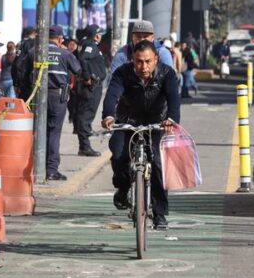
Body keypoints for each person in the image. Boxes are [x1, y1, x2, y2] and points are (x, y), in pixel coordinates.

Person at [101, 40, 180, 230]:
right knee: (119, 154)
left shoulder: (167, 74)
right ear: (132, 60)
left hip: (157, 122)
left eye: (147, 61)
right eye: (138, 62)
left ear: (156, 59)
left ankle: (160, 213)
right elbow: (112, 95)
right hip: (128, 121)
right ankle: (123, 187)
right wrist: (109, 115)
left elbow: (174, 99)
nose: (143, 66)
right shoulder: (122, 73)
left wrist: (171, 119)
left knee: (158, 164)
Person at [26, 25, 81, 180]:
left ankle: (36, 166)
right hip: (57, 97)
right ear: (59, 39)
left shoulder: (34, 52)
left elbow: (20, 70)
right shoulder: (65, 54)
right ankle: (51, 170)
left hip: (37, 97)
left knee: (37, 131)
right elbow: (78, 70)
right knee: (54, 132)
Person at [75, 24, 107, 157]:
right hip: (91, 86)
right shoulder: (90, 45)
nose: (100, 37)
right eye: (99, 34)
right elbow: (83, 59)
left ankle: (85, 144)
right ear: (96, 35)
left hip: (92, 85)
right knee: (85, 116)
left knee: (86, 115)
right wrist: (87, 77)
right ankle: (84, 147)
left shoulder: (87, 44)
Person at [12, 27, 37, 100]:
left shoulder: (21, 43)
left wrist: (16, 82)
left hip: (23, 83)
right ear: (34, 33)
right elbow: (18, 64)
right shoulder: (33, 44)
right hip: (31, 83)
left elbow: (16, 64)